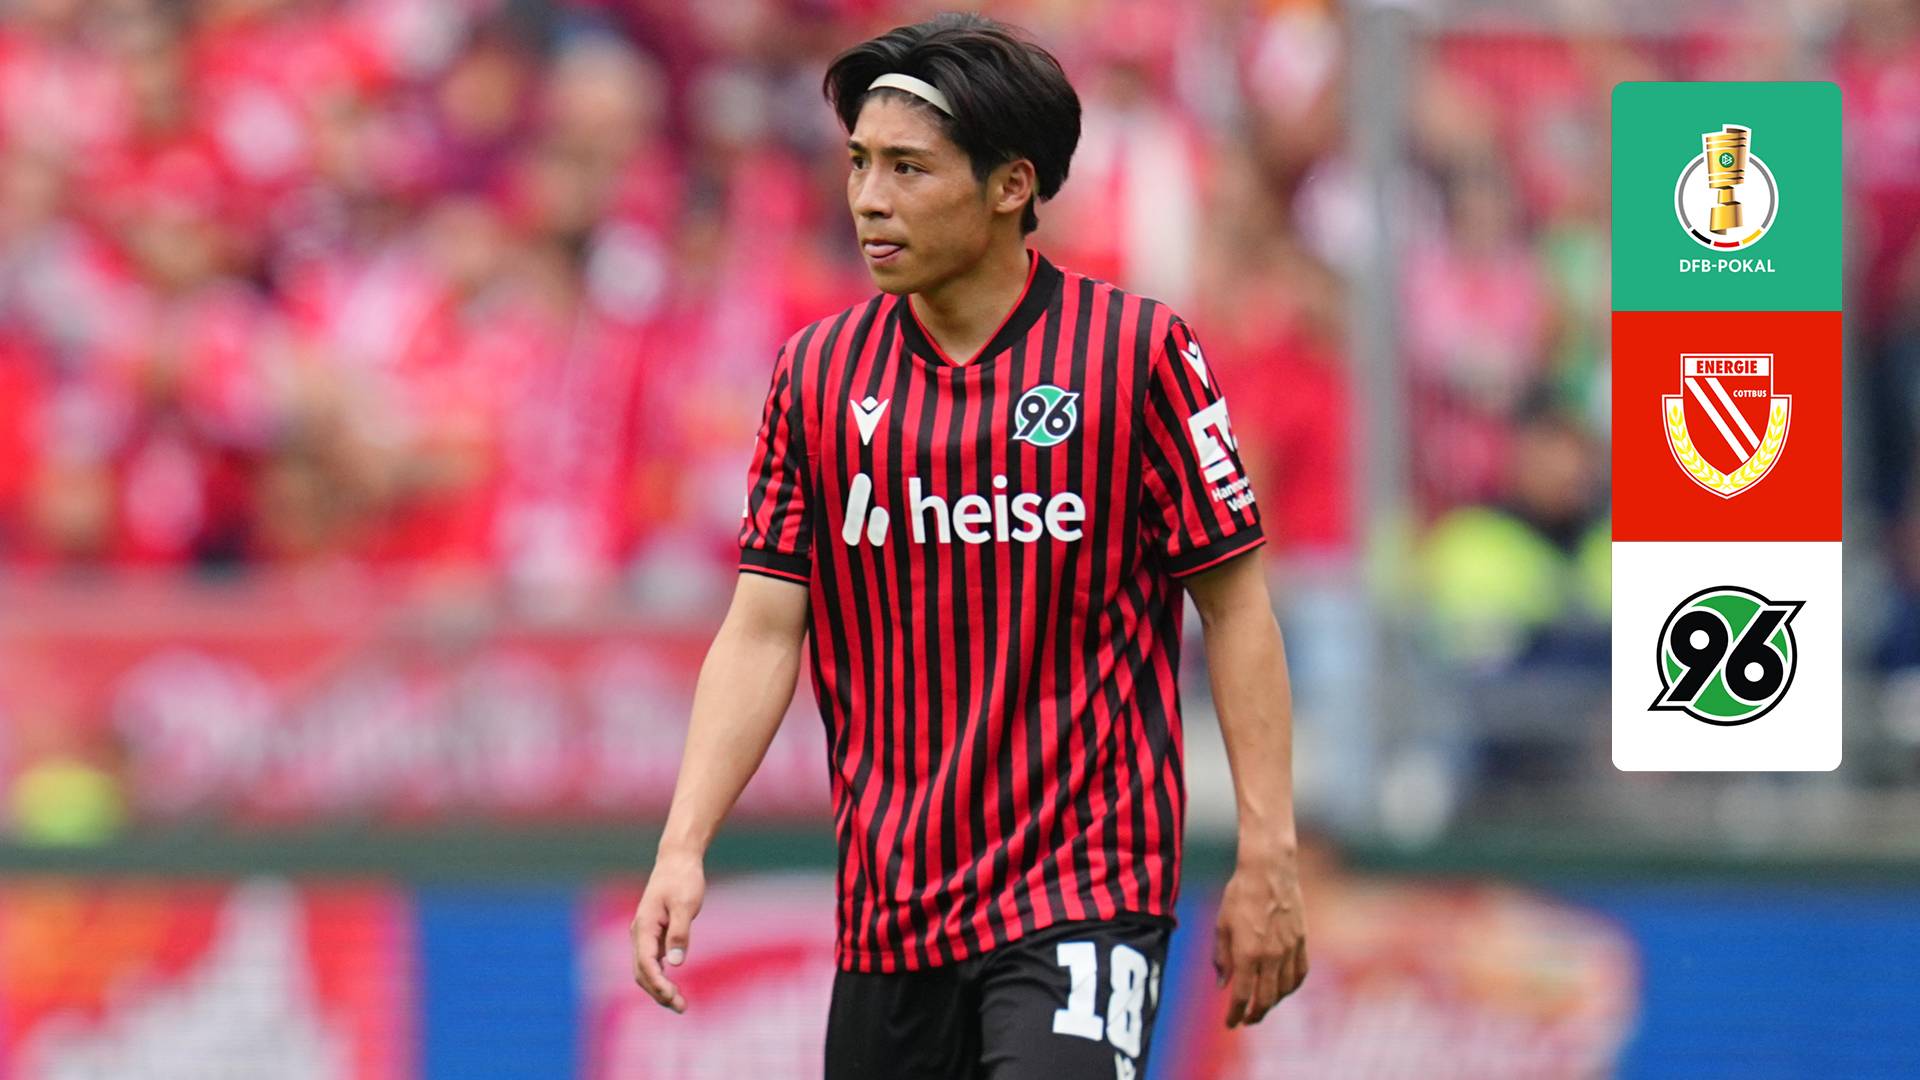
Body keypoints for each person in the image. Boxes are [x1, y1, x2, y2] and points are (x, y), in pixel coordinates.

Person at [630, 14, 1307, 1077]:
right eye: (859, 162)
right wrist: (683, 843)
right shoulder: (816, 377)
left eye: (908, 168)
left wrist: (1268, 849)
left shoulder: (1137, 357)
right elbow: (762, 630)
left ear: (1010, 186)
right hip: (892, 910)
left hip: (1085, 888)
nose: (869, 198)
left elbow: (1235, 606)